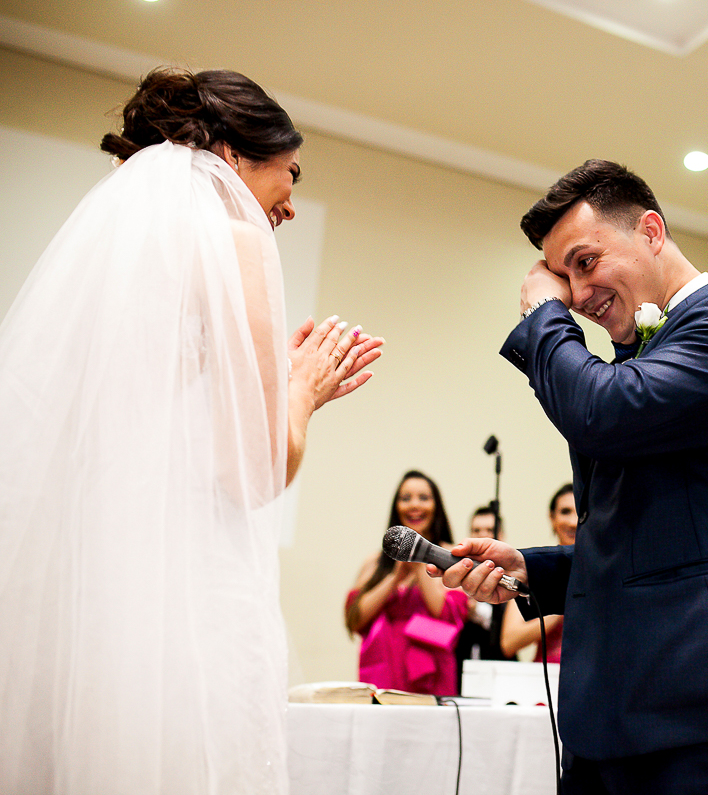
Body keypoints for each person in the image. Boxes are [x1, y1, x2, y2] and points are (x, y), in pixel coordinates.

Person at [0, 68, 383, 794]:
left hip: (91, 588)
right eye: (291, 173)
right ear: (233, 155)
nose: (291, 203)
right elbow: (255, 472)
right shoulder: (237, 241)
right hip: (181, 589)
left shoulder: (115, 255)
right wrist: (303, 391)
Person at [437, 159, 708, 795]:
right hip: (611, 711)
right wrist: (533, 568)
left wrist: (543, 314)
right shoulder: (636, 361)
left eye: (585, 262)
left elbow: (601, 414)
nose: (576, 293)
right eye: (563, 278)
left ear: (650, 230)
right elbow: (647, 531)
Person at [346, 470, 469, 696]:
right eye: (405, 498)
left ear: (436, 506)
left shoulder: (451, 556)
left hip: (432, 678)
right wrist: (394, 578)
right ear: (396, 507)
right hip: (381, 674)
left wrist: (419, 559)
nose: (414, 505)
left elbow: (447, 615)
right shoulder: (375, 562)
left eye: (424, 498)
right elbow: (354, 620)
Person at [500, 483, 577, 662]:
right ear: (552, 518)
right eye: (565, 512)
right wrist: (559, 606)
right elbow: (509, 642)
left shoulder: (603, 571)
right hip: (545, 673)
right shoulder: (540, 569)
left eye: (580, 511)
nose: (573, 522)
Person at [455, 506, 516, 685]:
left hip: (502, 671)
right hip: (461, 667)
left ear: (502, 536)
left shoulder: (513, 577)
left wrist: (480, 612)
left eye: (490, 530)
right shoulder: (456, 574)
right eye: (476, 530)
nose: (483, 535)